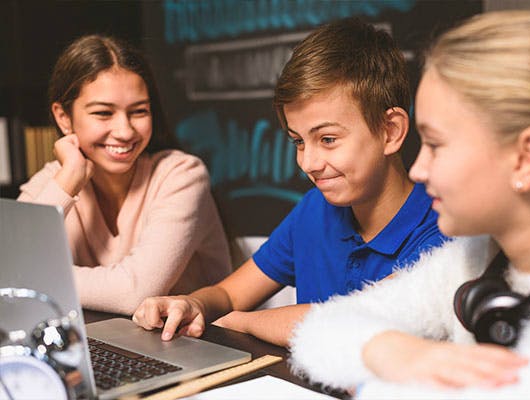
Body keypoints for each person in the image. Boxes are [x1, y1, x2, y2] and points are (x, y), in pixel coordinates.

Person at [289, 10, 530, 399]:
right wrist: (396, 353)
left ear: (526, 158)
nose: (418, 170)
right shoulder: (471, 257)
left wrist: (374, 373)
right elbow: (321, 327)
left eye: (435, 145)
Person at [132, 18, 446, 346]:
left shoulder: (442, 226)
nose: (308, 163)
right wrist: (192, 304)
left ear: (390, 131)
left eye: (327, 139)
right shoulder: (314, 209)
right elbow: (228, 293)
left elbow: (351, 321)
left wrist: (240, 321)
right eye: (298, 141)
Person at [18, 35, 232, 315]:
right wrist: (69, 180)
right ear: (63, 118)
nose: (125, 131)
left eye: (139, 111)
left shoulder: (182, 174)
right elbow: (12, 267)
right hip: (106, 344)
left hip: (197, 345)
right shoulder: (57, 181)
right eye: (104, 113)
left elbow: (135, 293)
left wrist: (37, 278)